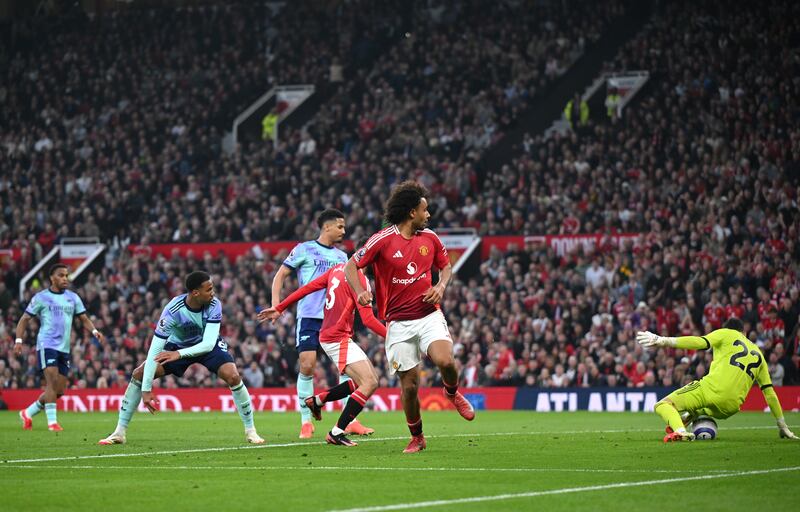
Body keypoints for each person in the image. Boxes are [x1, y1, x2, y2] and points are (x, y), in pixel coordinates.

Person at [343, 180, 475, 454]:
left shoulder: (431, 238)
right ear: (411, 212)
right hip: (399, 323)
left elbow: (446, 266)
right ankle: (417, 437)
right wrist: (359, 292)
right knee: (410, 387)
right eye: (424, 210)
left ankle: (451, 392)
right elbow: (351, 264)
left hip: (428, 315)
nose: (429, 215)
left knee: (445, 361)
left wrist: (440, 286)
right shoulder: (382, 240)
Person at [98, 271, 264, 445]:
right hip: (177, 346)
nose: (213, 293)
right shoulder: (172, 311)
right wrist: (146, 390)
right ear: (195, 293)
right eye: (209, 290)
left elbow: (207, 344)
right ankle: (119, 432)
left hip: (206, 346)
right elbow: (154, 350)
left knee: (233, 376)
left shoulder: (214, 304)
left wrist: (178, 355)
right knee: (139, 373)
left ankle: (251, 431)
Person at [258, 257, 386, 447]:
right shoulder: (360, 279)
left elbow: (306, 289)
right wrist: (392, 336)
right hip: (337, 337)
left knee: (364, 380)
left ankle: (317, 401)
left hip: (329, 334)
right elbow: (368, 320)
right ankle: (337, 432)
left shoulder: (337, 269)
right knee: (369, 383)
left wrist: (280, 307)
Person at [271, 208, 373, 438]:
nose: (343, 231)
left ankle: (350, 421)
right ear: (326, 226)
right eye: (340, 226)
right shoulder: (304, 249)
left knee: (346, 368)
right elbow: (281, 275)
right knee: (307, 365)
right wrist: (276, 304)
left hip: (336, 317)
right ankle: (306, 421)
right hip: (308, 316)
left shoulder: (342, 257)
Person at [637, 317, 798, 442]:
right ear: (745, 333)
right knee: (698, 408)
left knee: (662, 405)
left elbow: (700, 342)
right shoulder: (760, 355)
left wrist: (664, 340)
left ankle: (680, 431)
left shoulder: (726, 333)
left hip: (711, 390)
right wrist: (782, 425)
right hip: (730, 407)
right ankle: (690, 416)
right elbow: (769, 394)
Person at [14, 263, 106, 431]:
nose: (65, 278)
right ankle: (52, 423)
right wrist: (19, 340)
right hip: (47, 344)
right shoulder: (41, 297)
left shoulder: (73, 297)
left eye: (66, 275)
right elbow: (24, 319)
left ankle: (27, 412)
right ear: (52, 278)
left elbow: (83, 318)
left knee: (59, 390)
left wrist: (94, 331)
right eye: (61, 275)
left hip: (64, 348)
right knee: (51, 382)